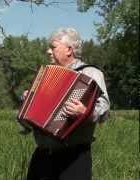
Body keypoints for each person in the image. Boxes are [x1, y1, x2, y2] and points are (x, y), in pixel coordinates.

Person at [24, 27, 110, 180]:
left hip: (74, 158)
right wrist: (28, 103)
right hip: (42, 155)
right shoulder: (47, 75)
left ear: (69, 50)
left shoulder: (91, 74)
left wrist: (86, 112)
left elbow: (104, 111)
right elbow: (33, 118)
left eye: (53, 47)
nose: (48, 52)